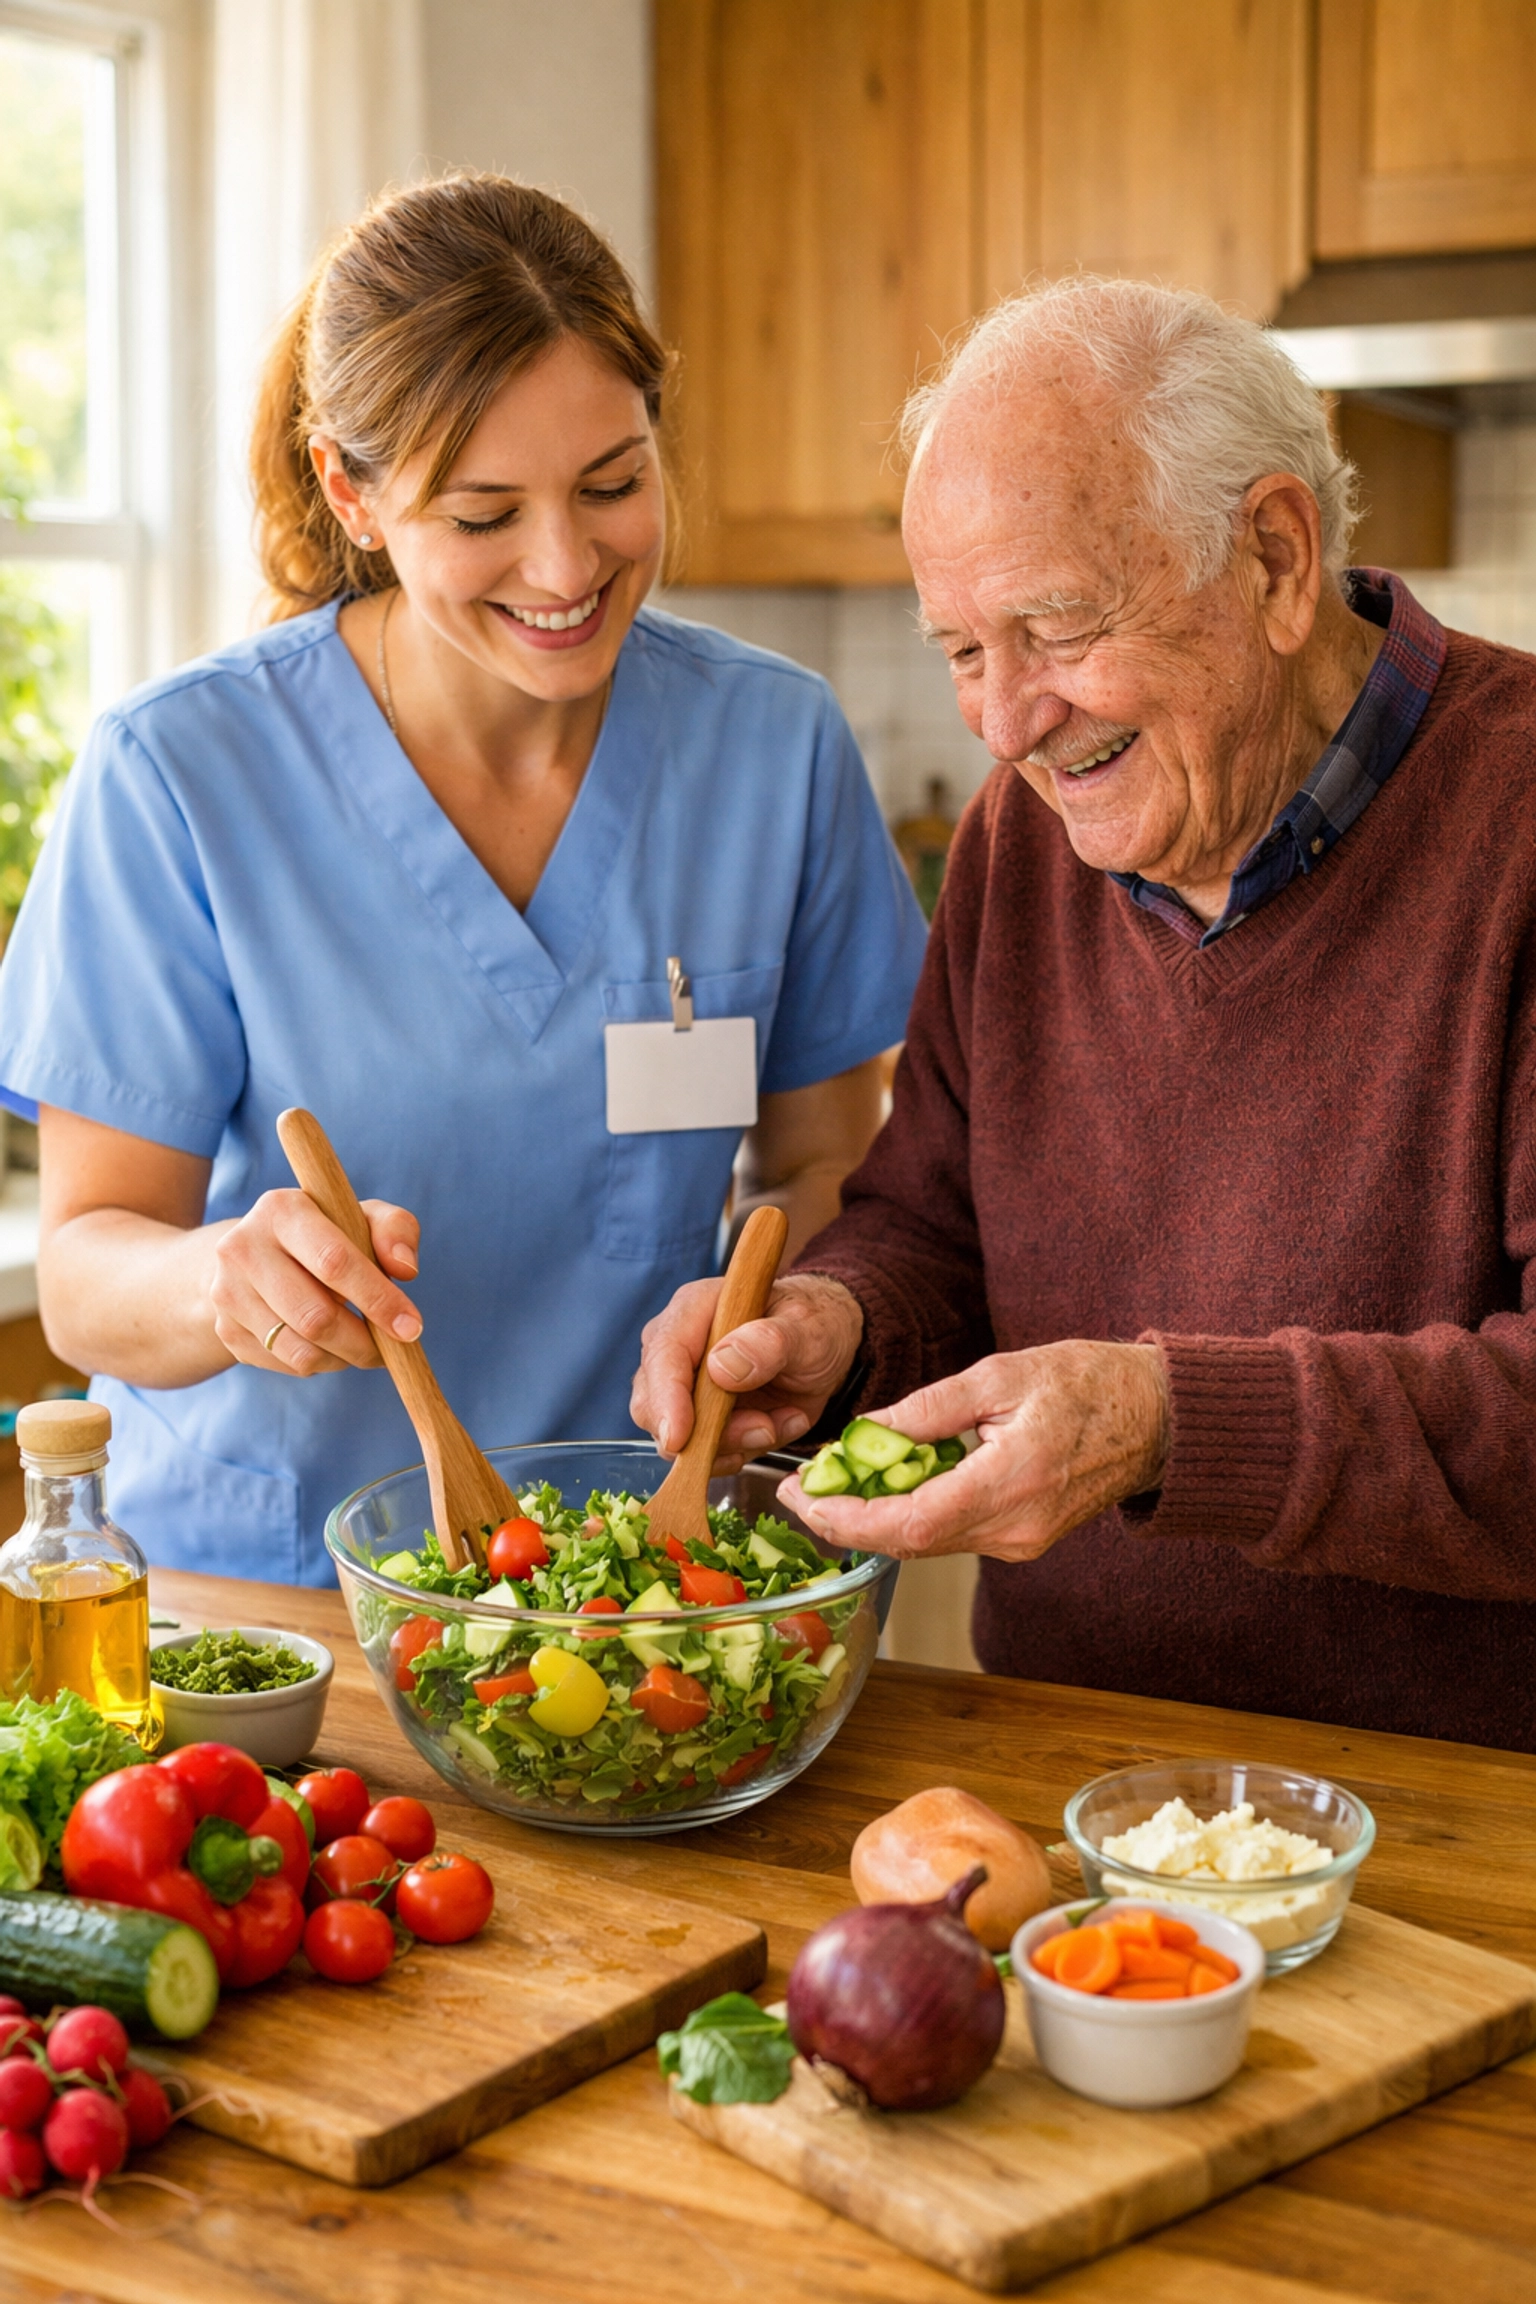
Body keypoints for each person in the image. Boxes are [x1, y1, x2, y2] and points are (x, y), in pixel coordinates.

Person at [633, 274, 1536, 1752]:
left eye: (1055, 628)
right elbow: (932, 1225)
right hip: (1057, 1758)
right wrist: (835, 1327)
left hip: (1467, 1809)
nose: (1005, 722)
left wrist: (1169, 1426)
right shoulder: (1015, 839)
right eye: (960, 650)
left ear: (1274, 558)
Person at [0, 174, 925, 1583]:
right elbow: (79, 1275)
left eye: (613, 484)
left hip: (637, 1586)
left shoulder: (772, 745)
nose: (567, 566)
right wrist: (219, 1280)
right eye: (483, 514)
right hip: (270, 1609)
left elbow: (827, 1156)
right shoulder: (179, 772)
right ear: (350, 493)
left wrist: (786, 1312)